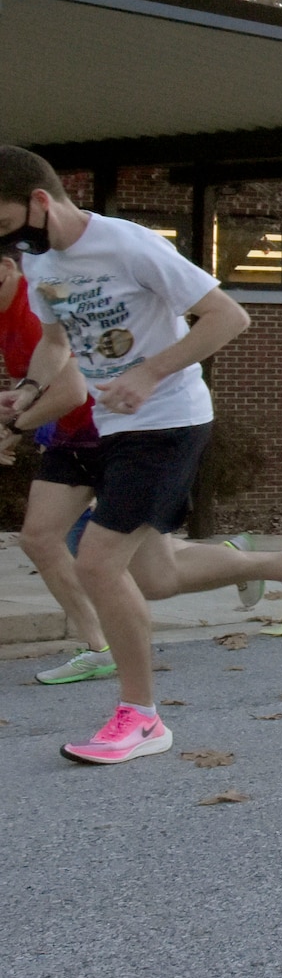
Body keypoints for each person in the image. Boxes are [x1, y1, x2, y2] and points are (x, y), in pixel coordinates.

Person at [0, 147, 282, 765]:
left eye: (3, 222)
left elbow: (226, 316)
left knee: (99, 564)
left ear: (40, 202)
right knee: (143, 574)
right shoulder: (39, 259)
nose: (6, 238)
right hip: (102, 425)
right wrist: (27, 391)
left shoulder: (130, 245)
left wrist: (150, 373)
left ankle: (141, 716)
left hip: (165, 421)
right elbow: (56, 341)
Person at [0, 246, 112, 685]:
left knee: (155, 573)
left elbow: (70, 391)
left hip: (112, 431)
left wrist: (16, 428)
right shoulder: (7, 309)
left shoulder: (34, 306)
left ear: (6, 268)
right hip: (71, 436)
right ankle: (99, 647)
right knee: (41, 539)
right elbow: (29, 383)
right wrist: (15, 419)